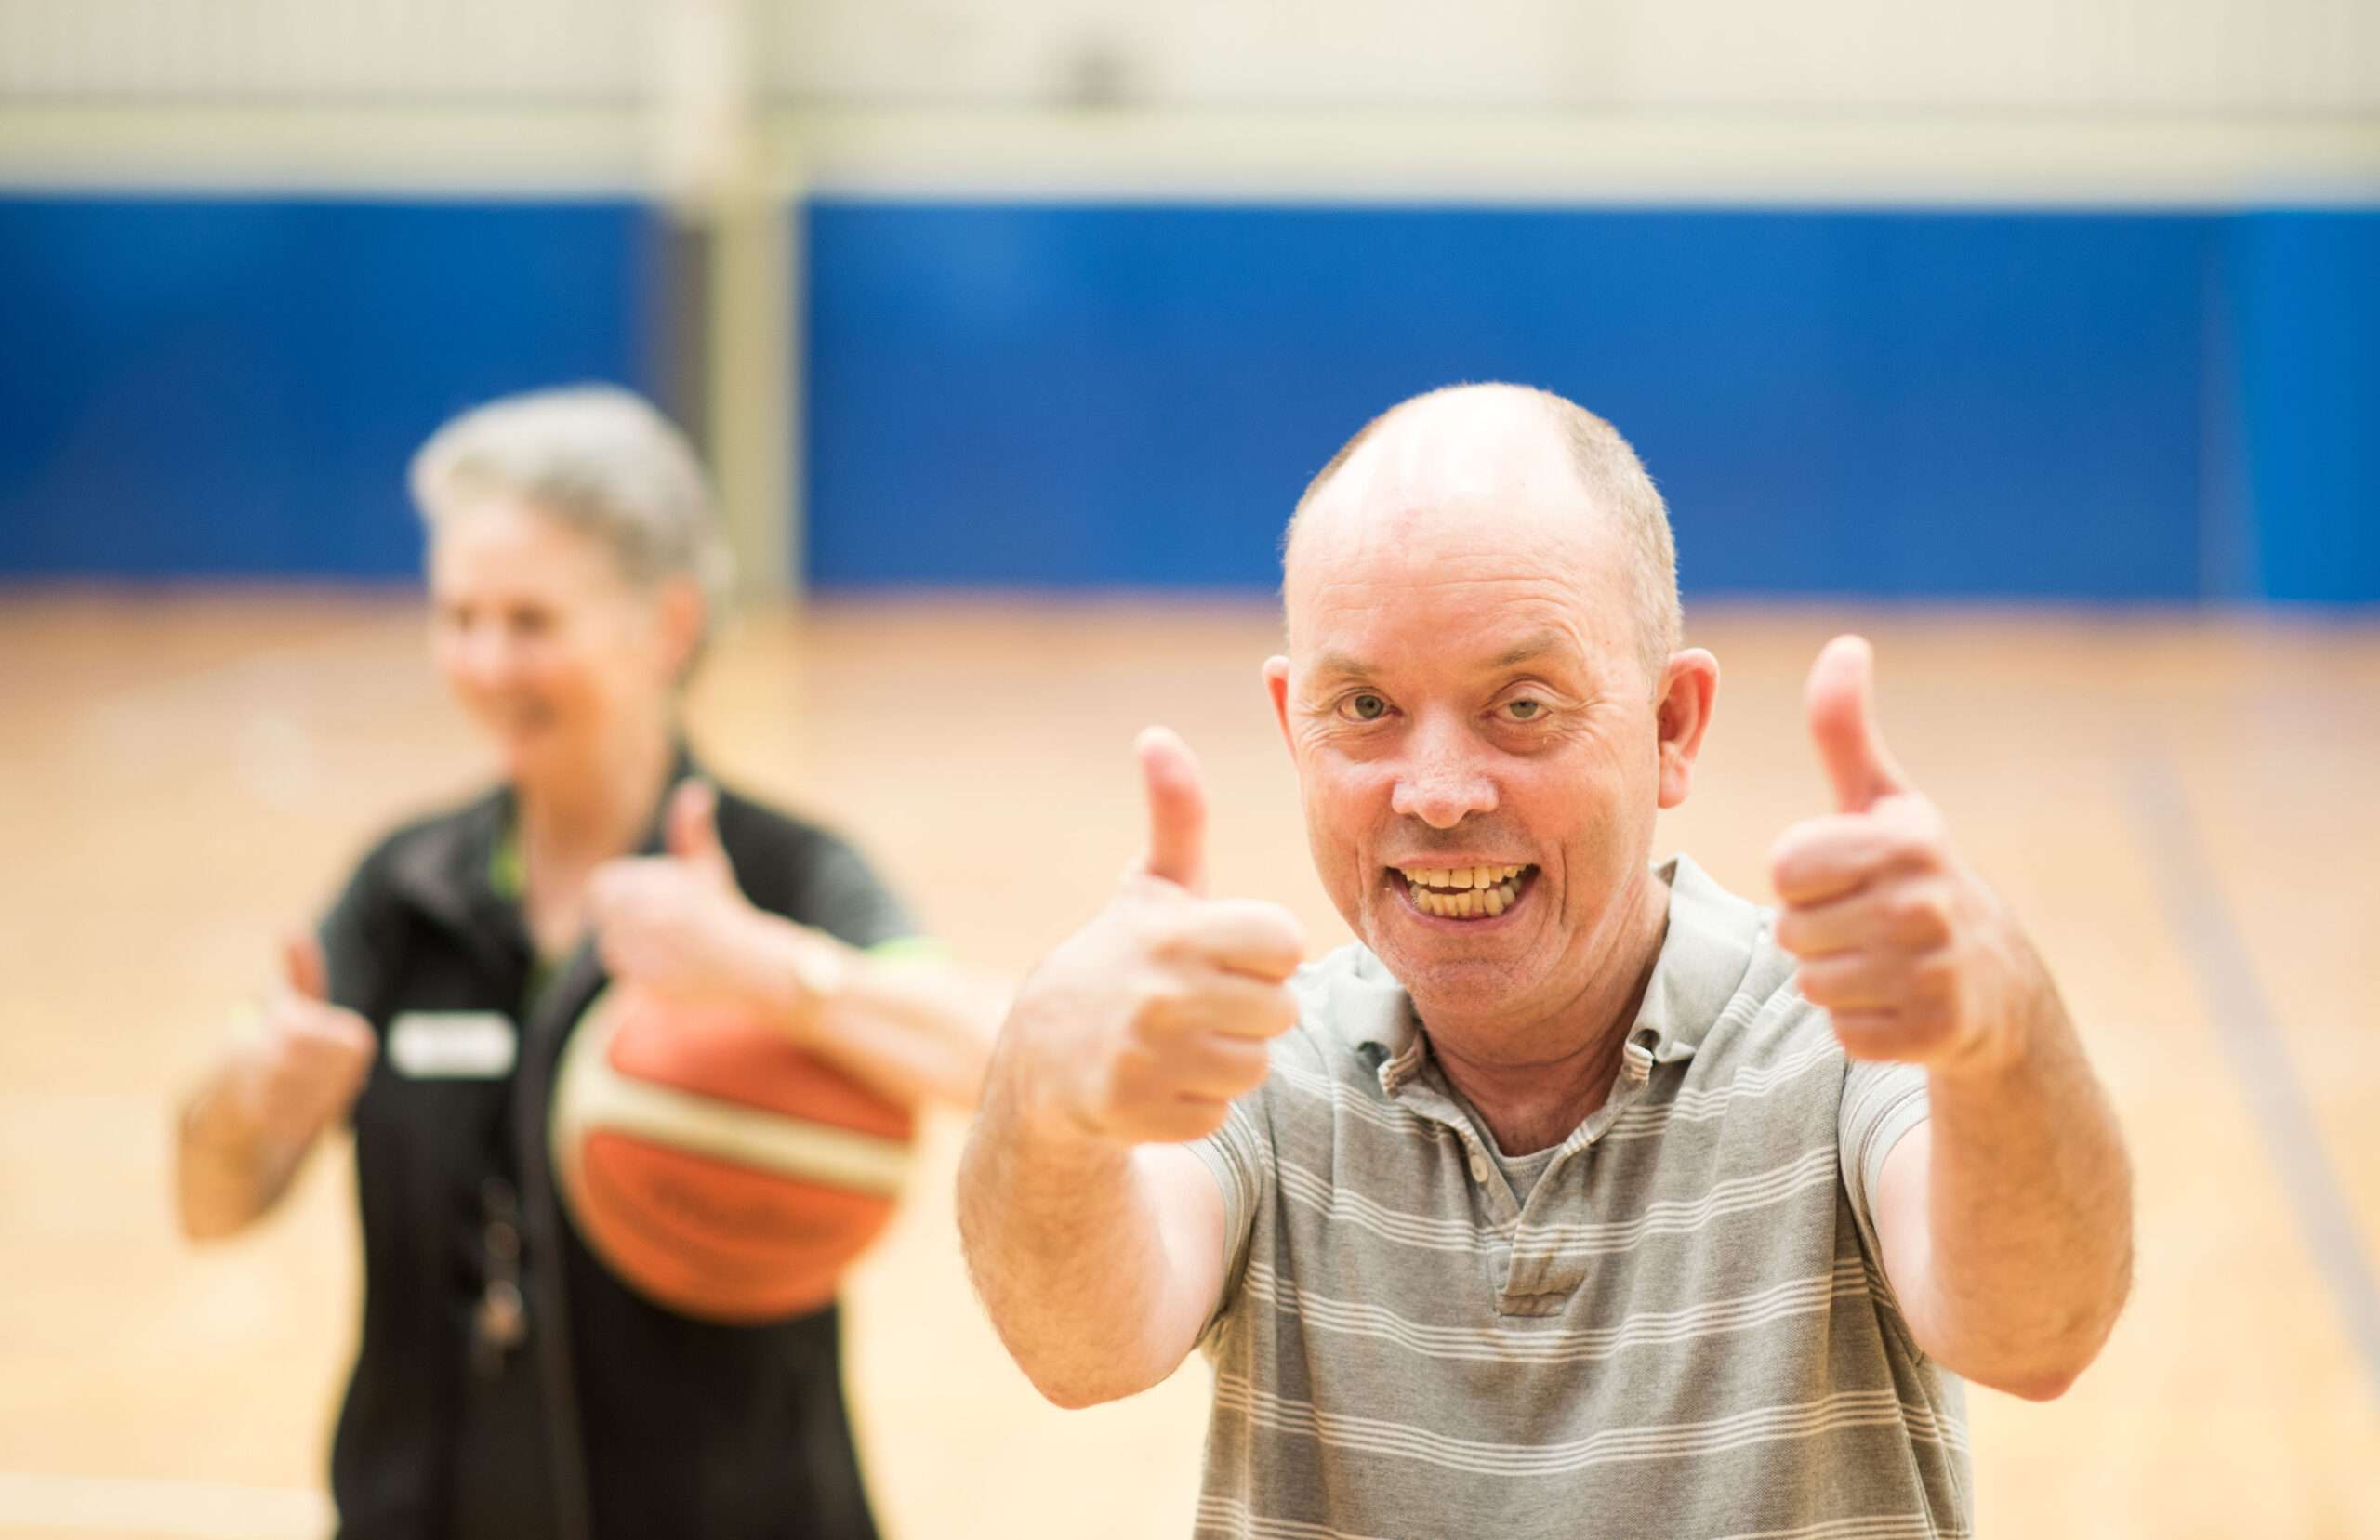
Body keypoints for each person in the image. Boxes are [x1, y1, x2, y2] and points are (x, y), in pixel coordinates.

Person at [957, 383, 2133, 1537]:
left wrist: (2005, 1031)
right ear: (1289, 727)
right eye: (1363, 706)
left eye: (1520, 705)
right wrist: (1041, 1102)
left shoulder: (1844, 1034)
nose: (1438, 793)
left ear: (1671, 725)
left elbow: (2036, 1331)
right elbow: (1082, 1347)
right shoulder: (1254, 1065)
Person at [174, 385, 1003, 1540]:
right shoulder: (402, 888)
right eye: (456, 616)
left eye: (529, 621)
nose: (481, 661)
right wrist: (248, 1104)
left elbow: (995, 1056)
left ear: (664, 625)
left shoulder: (781, 874)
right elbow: (210, 1204)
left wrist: (762, 966)